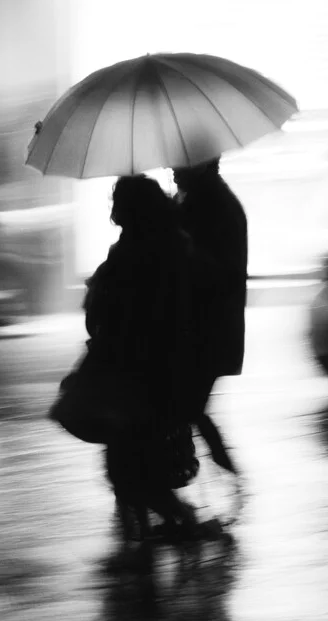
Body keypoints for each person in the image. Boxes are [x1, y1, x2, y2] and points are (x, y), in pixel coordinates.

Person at [84, 175, 201, 569]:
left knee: (127, 462)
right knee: (135, 458)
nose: (113, 210)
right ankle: (155, 531)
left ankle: (173, 521)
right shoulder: (175, 245)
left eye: (117, 201)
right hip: (159, 369)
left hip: (135, 371)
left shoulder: (135, 254)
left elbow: (109, 310)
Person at [173, 158, 248, 503]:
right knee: (185, 406)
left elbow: (221, 272)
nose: (171, 168)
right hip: (199, 328)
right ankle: (218, 472)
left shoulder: (214, 206)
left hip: (206, 329)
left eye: (179, 162)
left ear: (200, 164)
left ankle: (224, 472)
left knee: (186, 406)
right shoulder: (197, 200)